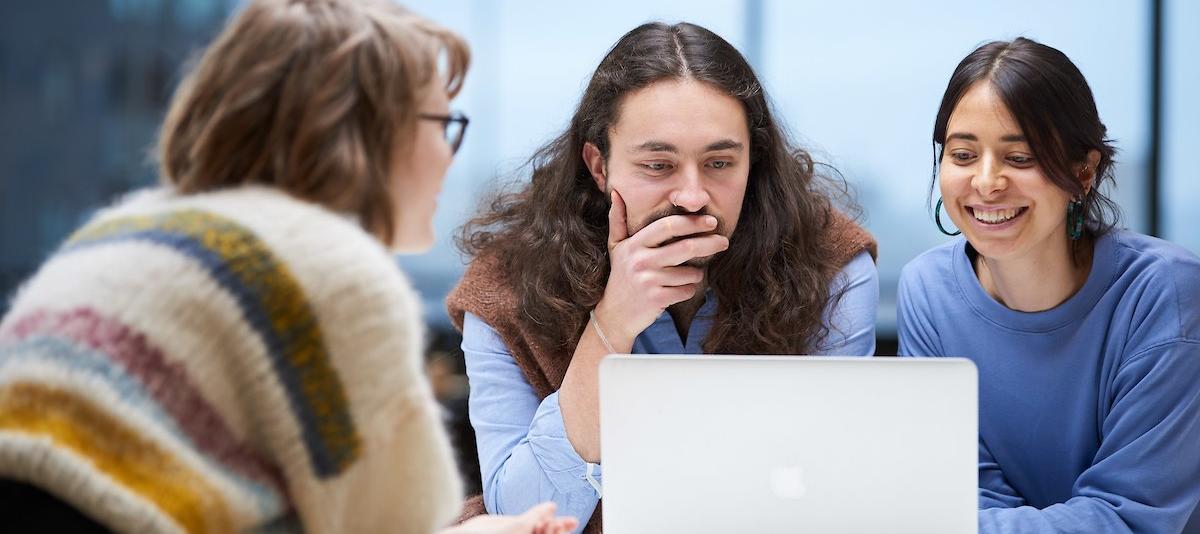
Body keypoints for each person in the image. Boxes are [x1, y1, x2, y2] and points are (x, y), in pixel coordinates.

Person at [0, 1, 575, 533]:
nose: (448, 155)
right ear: (370, 132)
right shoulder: (331, 271)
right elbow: (401, 521)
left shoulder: (123, 231)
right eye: (442, 124)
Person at [448, 22, 879, 532]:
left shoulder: (831, 266)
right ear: (599, 166)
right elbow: (526, 520)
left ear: (752, 163)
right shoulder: (504, 287)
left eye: (719, 163)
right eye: (658, 165)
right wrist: (611, 324)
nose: (692, 197)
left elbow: (836, 494)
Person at [898, 37, 1200, 533]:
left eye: (1020, 158)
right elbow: (961, 489)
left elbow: (1126, 517)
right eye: (963, 154)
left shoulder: (1164, 293)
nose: (987, 182)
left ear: (1083, 172)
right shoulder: (927, 292)